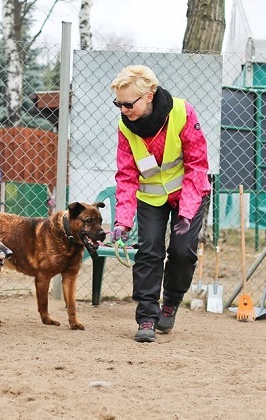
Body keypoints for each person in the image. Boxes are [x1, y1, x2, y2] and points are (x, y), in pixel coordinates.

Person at [110, 65, 211, 343]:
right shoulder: (125, 126)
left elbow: (197, 164)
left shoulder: (182, 113)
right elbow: (127, 176)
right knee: (149, 251)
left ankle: (171, 303)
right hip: (151, 196)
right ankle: (146, 317)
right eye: (118, 104)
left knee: (182, 251)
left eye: (129, 103)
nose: (123, 109)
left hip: (188, 192)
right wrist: (122, 220)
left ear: (150, 95)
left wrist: (188, 212)